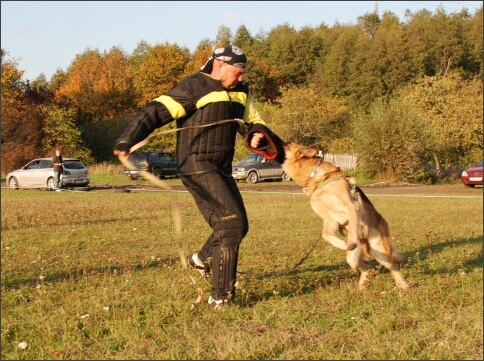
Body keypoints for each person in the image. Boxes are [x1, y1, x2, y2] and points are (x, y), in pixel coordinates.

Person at [114, 45, 269, 309]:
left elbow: (253, 120)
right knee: (230, 224)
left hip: (221, 167)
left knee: (237, 226)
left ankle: (201, 259)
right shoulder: (194, 86)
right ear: (219, 65)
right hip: (196, 165)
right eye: (238, 71)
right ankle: (220, 299)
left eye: (243, 72)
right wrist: (128, 139)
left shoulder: (242, 91)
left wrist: (257, 134)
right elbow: (154, 111)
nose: (241, 77)